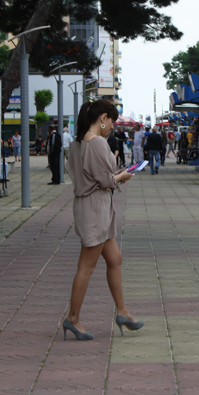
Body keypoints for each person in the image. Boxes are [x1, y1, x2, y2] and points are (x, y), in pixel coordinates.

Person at [63, 99, 142, 341]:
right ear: (103, 117)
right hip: (95, 207)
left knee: (115, 258)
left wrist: (114, 176)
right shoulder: (97, 142)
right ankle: (73, 318)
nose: (112, 126)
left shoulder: (78, 143)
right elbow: (106, 179)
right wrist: (122, 177)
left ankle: (123, 311)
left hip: (90, 205)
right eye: (112, 121)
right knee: (86, 265)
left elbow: (90, 174)